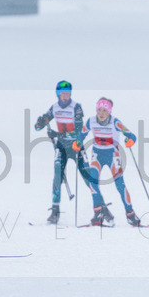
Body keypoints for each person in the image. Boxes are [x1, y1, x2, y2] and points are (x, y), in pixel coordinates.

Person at [34, 80, 106, 225]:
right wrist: (40, 122)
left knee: (87, 177)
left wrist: (58, 134)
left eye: (67, 94)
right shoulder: (54, 108)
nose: (65, 97)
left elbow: (78, 129)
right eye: (62, 94)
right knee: (57, 175)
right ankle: (55, 211)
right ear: (58, 95)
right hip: (61, 147)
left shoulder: (76, 107)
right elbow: (37, 127)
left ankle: (102, 208)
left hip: (76, 145)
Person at [83, 97, 141, 227]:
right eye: (99, 110)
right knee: (93, 182)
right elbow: (81, 134)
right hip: (97, 154)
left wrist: (130, 141)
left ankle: (130, 215)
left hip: (112, 155)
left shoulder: (115, 122)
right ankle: (98, 214)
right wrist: (77, 142)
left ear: (109, 112)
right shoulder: (91, 121)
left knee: (120, 185)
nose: (101, 113)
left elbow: (131, 135)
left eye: (105, 110)